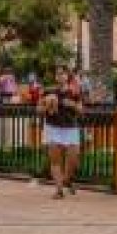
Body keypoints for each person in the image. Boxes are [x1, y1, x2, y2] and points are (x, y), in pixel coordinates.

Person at [42, 68, 85, 197]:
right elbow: (38, 108)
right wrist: (47, 106)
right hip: (53, 127)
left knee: (73, 159)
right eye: (58, 73)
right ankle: (59, 190)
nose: (60, 76)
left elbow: (81, 110)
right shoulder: (48, 91)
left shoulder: (75, 91)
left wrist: (72, 104)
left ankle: (67, 180)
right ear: (55, 77)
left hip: (71, 128)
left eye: (63, 74)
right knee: (55, 160)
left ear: (67, 76)